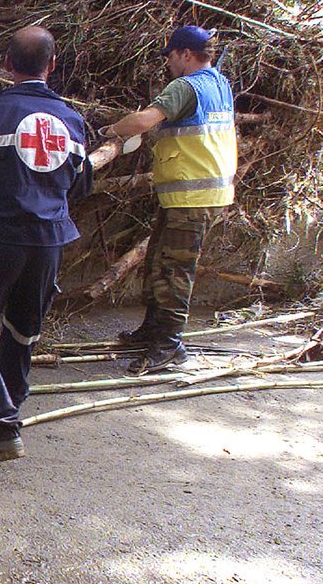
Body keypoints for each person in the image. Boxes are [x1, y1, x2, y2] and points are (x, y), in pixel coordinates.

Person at [0, 27, 91, 466]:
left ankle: (1, 425)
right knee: (23, 328)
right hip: (50, 241)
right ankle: (6, 406)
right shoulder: (73, 120)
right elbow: (80, 185)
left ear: (7, 64)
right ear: (53, 65)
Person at [99, 25, 237, 375]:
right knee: (160, 261)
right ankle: (154, 330)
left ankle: (170, 345)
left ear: (185, 54)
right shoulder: (219, 83)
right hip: (197, 194)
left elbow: (145, 120)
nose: (169, 64)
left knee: (175, 270)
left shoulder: (186, 86)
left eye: (172, 57)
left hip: (193, 196)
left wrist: (112, 131)